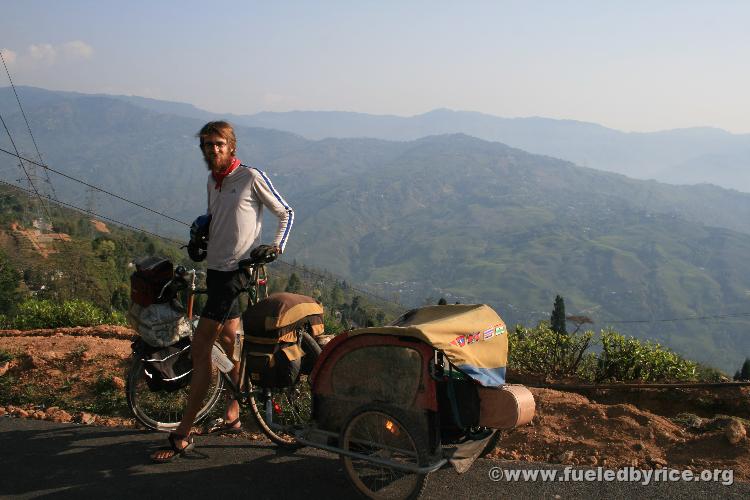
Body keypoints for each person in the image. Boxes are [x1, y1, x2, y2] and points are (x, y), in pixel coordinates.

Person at [151, 121, 294, 462]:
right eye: (206, 145)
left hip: (237, 275)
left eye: (218, 144)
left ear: (231, 146)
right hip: (215, 272)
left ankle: (182, 433)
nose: (212, 150)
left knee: (201, 350)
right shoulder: (213, 182)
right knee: (229, 342)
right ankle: (236, 408)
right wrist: (200, 239)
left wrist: (275, 247)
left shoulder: (250, 177)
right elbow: (217, 219)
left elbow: (285, 212)